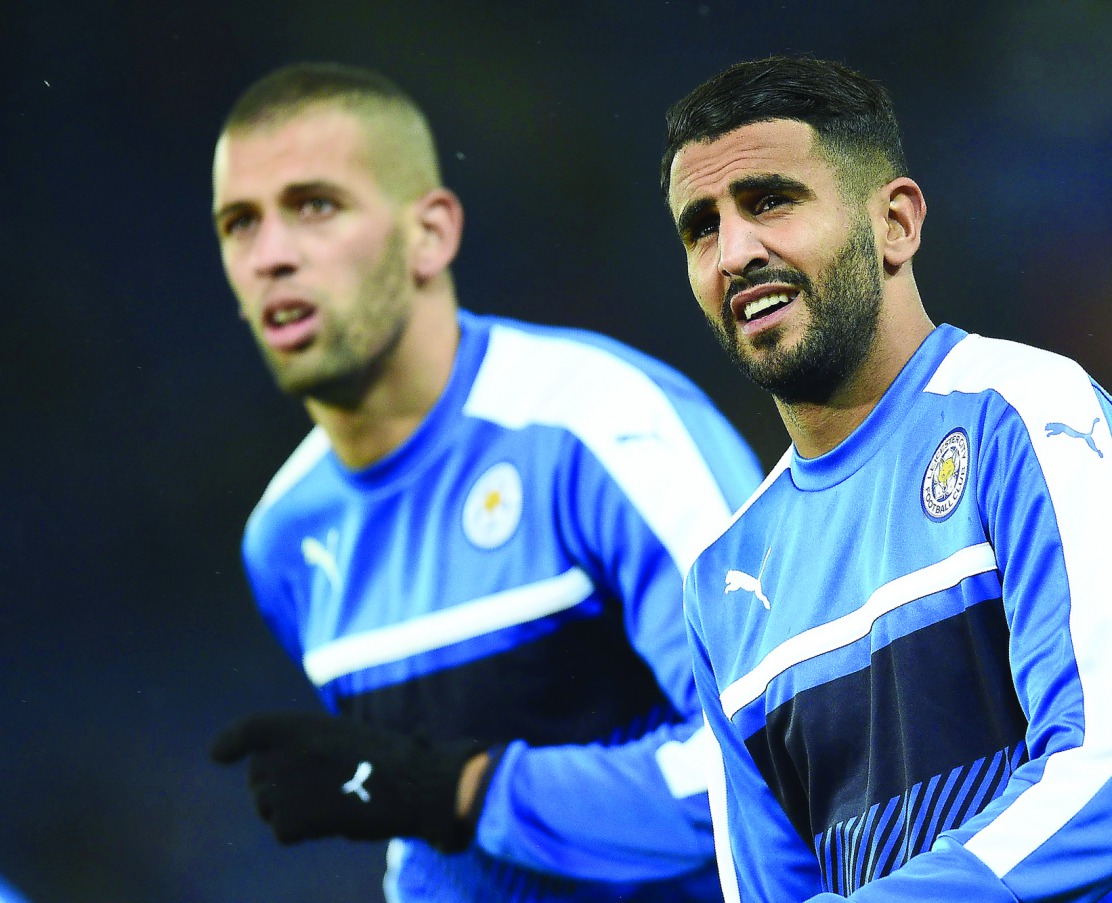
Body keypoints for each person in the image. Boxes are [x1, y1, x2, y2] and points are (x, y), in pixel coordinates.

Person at [207, 62, 763, 902]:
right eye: (239, 224)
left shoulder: (601, 428)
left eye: (314, 206)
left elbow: (777, 760)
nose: (272, 255)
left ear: (430, 233)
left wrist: (466, 790)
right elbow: (416, 823)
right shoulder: (284, 538)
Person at [660, 55, 1112, 902]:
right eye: (701, 226)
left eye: (771, 201)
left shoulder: (1025, 413)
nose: (735, 251)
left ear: (896, 224)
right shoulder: (724, 579)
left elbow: (1110, 777)